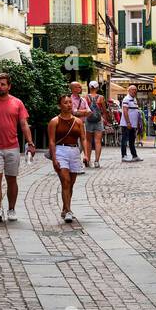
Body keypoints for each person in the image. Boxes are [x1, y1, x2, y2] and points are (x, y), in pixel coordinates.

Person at [0, 72, 35, 223]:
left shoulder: (17, 103)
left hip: (12, 146)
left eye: (3, 84)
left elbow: (23, 124)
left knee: (11, 179)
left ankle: (11, 209)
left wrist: (30, 143)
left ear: (9, 86)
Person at [48, 94, 90, 223]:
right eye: (65, 103)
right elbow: (51, 141)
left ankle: (65, 208)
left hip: (74, 151)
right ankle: (68, 210)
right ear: (60, 105)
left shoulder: (77, 121)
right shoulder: (54, 121)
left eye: (70, 102)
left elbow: (83, 138)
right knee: (65, 181)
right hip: (61, 150)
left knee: (70, 184)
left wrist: (86, 154)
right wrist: (54, 158)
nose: (69, 105)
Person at [83, 80, 109, 167]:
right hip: (98, 121)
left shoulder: (85, 97)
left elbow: (84, 109)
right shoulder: (101, 97)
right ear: (97, 88)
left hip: (88, 120)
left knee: (88, 141)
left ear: (89, 88)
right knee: (98, 141)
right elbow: (104, 111)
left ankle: (88, 160)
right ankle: (97, 161)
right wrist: (105, 120)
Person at [119, 85, 142, 162]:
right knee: (124, 140)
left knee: (132, 140)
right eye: (133, 89)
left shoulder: (134, 99)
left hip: (133, 124)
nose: (134, 91)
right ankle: (124, 156)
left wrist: (137, 123)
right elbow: (125, 111)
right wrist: (128, 122)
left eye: (135, 90)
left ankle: (134, 155)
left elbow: (136, 112)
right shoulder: (126, 99)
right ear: (128, 90)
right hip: (127, 124)